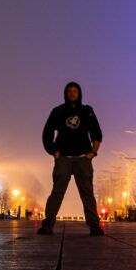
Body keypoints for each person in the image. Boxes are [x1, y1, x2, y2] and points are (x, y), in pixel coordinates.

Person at [38, 81, 104, 236]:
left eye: (75, 91)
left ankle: (94, 226)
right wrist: (53, 151)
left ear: (79, 93)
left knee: (87, 193)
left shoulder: (87, 111)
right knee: (57, 192)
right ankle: (48, 224)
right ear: (65, 93)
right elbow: (47, 133)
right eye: (69, 91)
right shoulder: (58, 111)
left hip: (83, 158)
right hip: (64, 158)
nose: (72, 93)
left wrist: (93, 153)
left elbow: (97, 133)